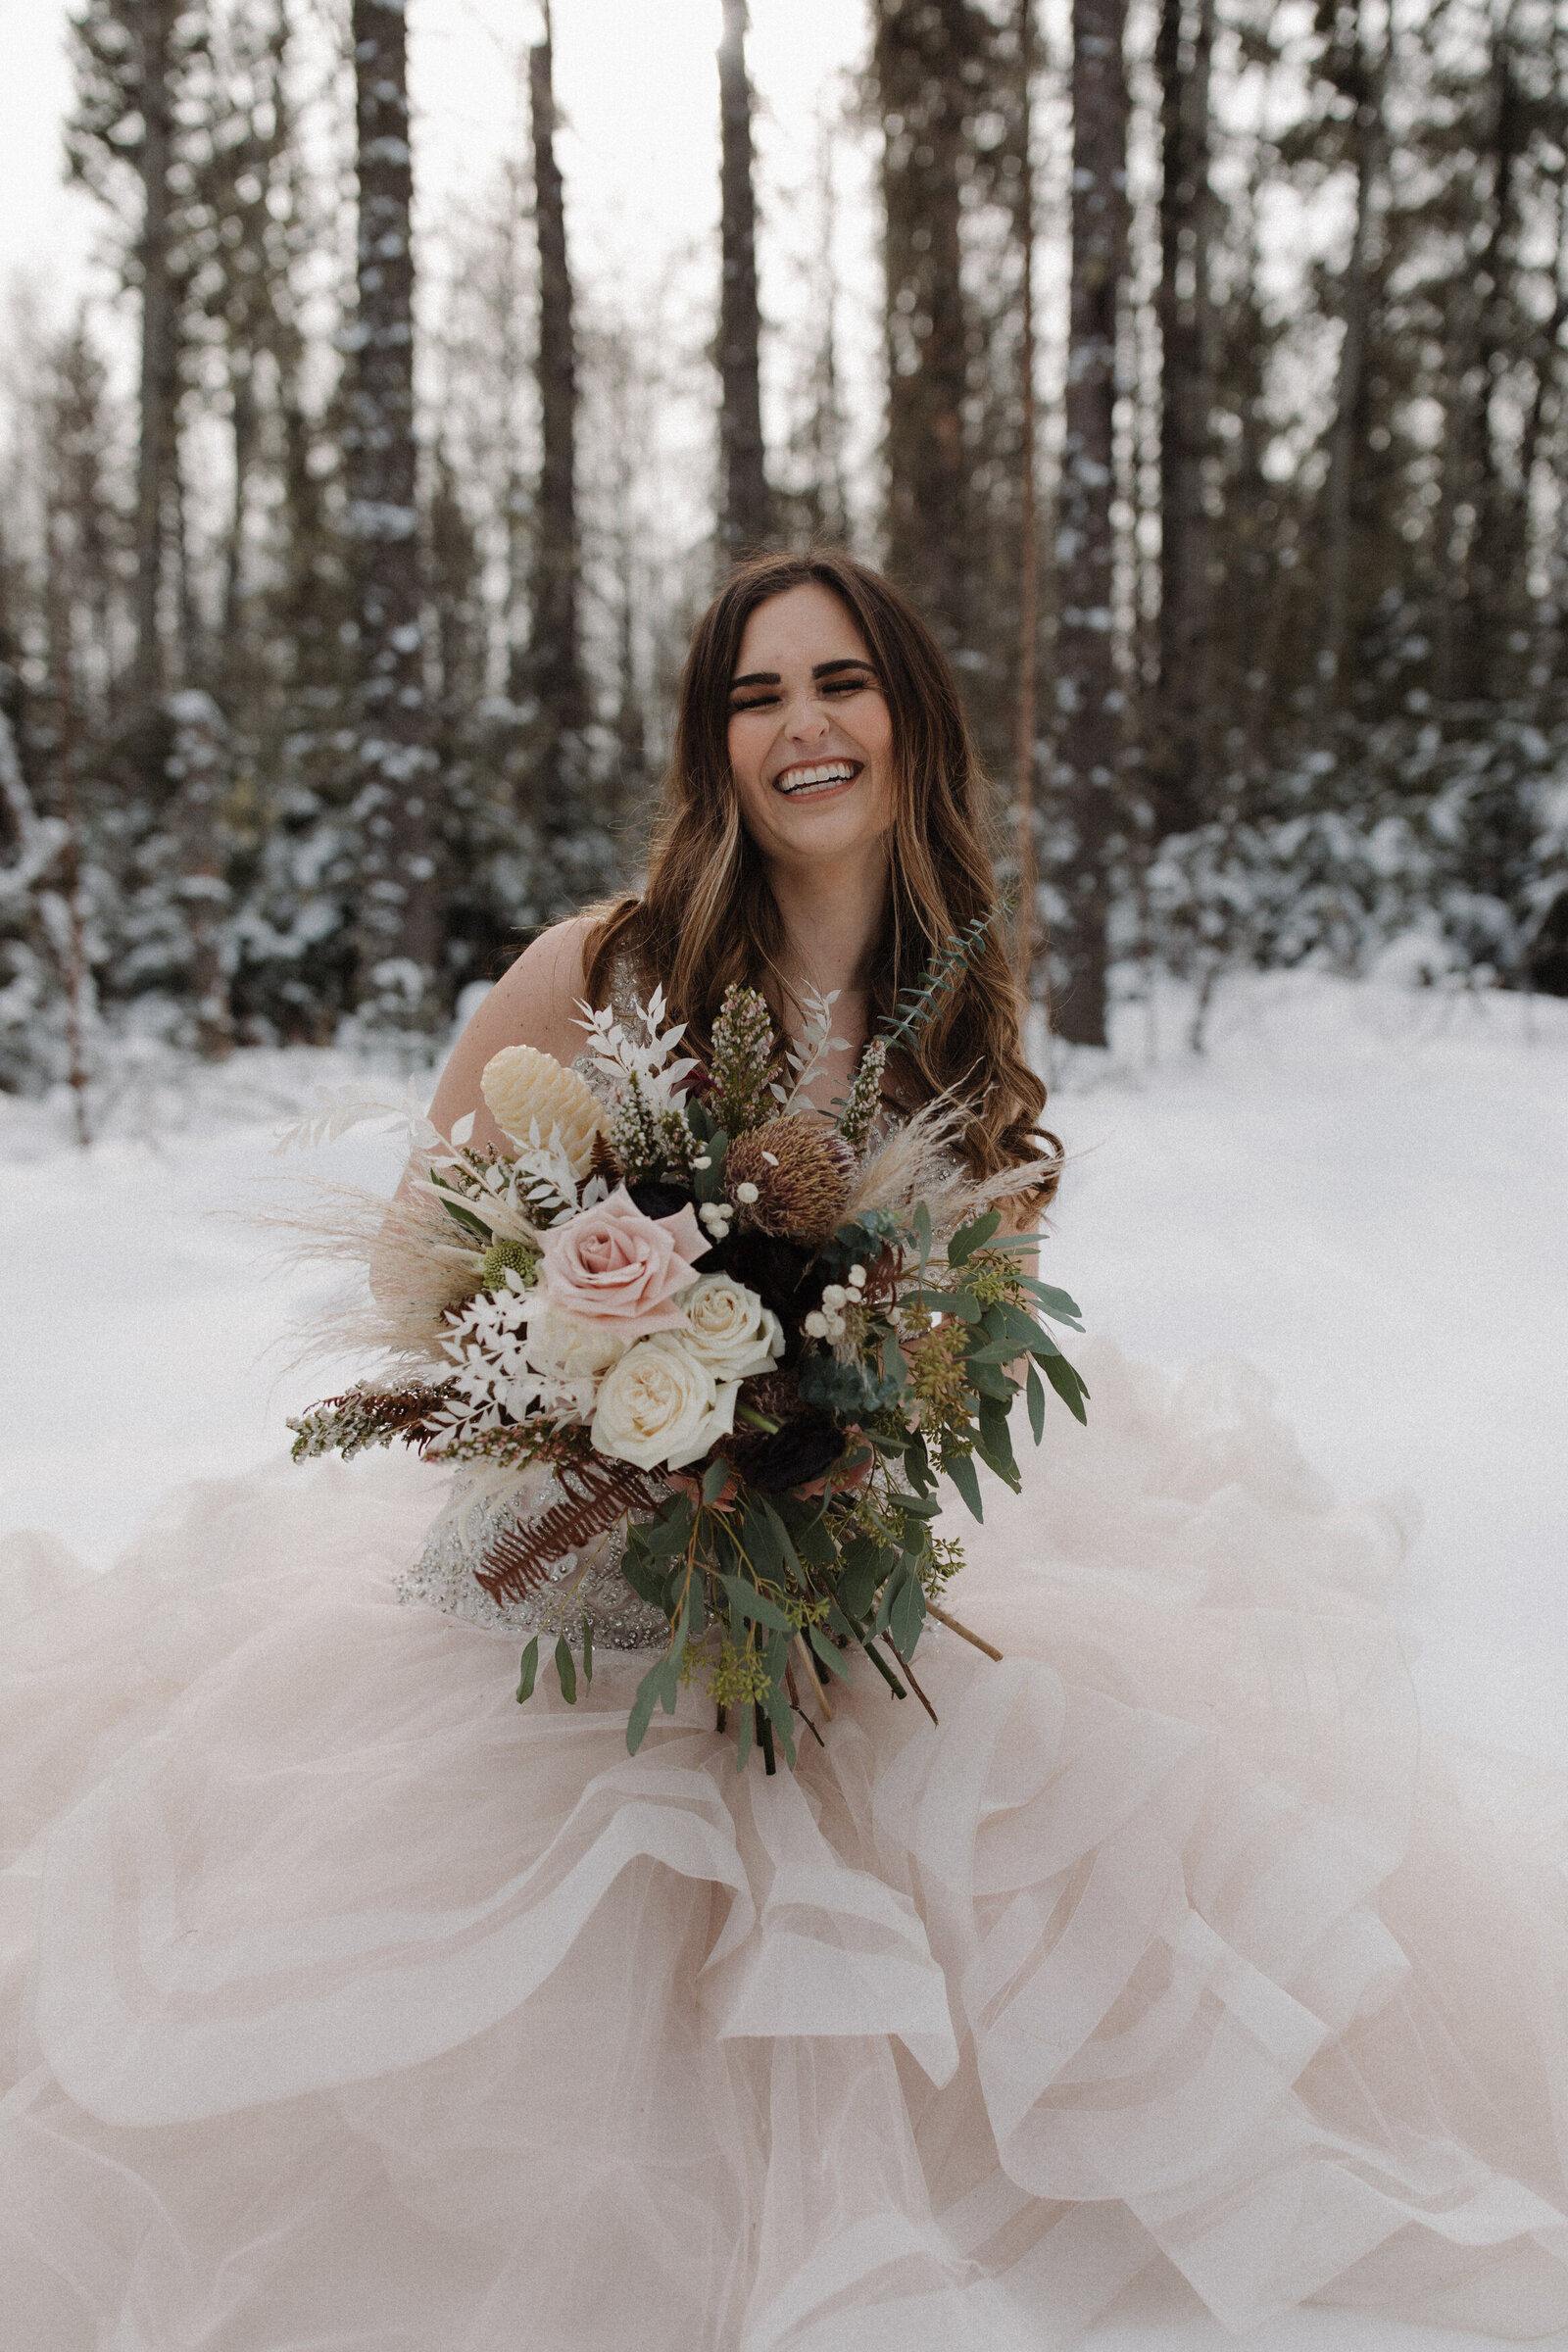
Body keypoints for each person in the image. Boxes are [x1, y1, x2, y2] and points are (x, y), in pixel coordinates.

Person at [4, 551, 1568, 2352]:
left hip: (825, 1597)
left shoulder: (957, 1036)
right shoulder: (609, 968)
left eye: (839, 684)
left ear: (908, 721)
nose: (801, 726)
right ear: (716, 746)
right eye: (756, 697)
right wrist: (600, 1358)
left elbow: (954, 1373)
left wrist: (820, 1449)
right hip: (578, 1580)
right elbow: (415, 1260)